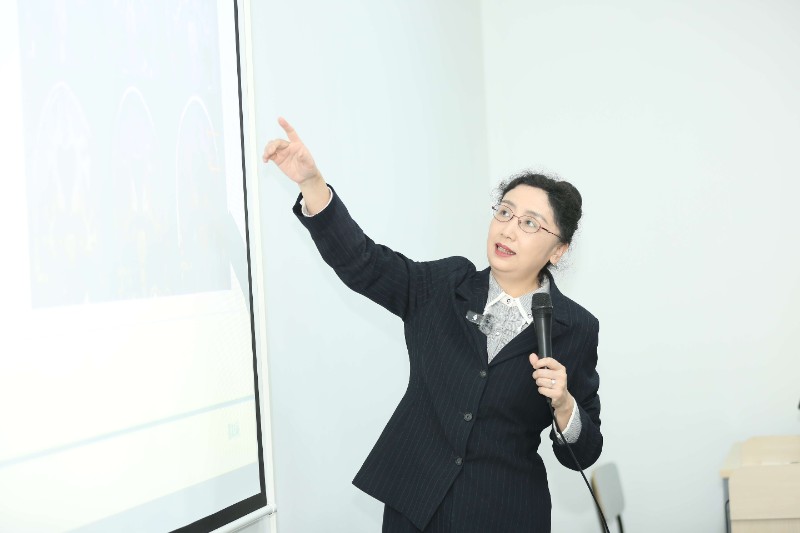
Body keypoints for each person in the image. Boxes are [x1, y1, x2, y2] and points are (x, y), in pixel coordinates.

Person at [263, 117, 602, 533]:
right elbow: (363, 262)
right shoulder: (445, 285)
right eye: (505, 212)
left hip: (506, 512)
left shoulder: (574, 327)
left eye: (529, 223)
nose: (509, 230)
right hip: (416, 508)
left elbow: (583, 453)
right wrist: (313, 183)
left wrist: (564, 405)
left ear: (558, 249)